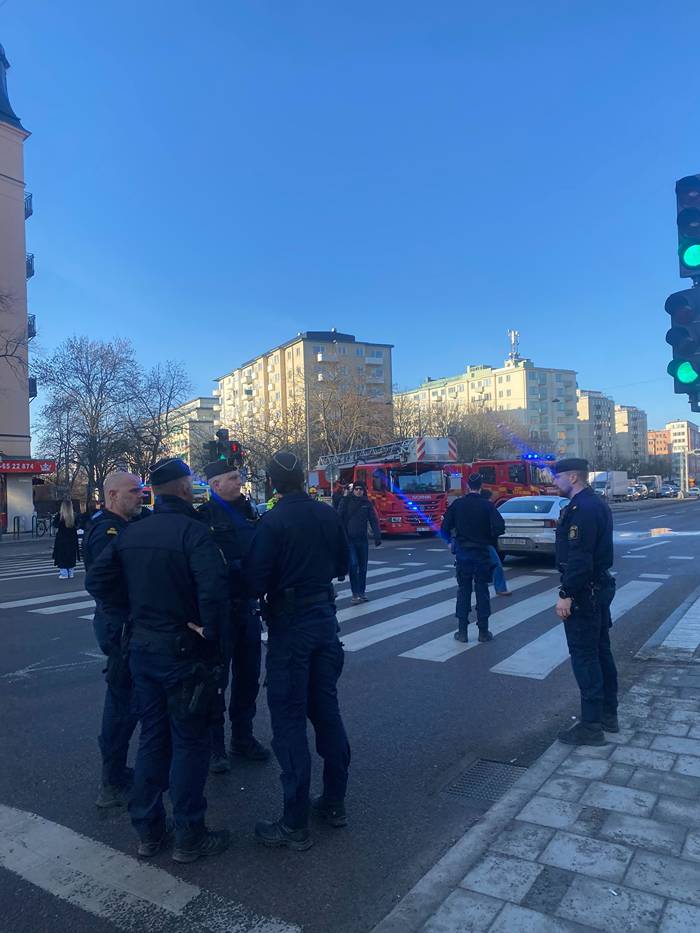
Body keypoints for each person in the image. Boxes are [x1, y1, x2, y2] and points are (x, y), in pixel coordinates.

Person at [86, 458, 230, 863]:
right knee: (188, 741)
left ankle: (148, 830)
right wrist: (210, 634)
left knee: (152, 737)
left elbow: (97, 581)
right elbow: (214, 594)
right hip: (182, 651)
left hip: (142, 649)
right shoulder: (193, 533)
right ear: (184, 489)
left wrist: (132, 613)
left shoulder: (133, 533)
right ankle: (189, 833)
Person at [245, 451, 351, 851]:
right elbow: (343, 563)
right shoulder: (327, 514)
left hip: (291, 628)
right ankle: (335, 803)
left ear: (272, 484)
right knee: (327, 711)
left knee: (289, 722)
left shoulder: (272, 521)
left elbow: (255, 581)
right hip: (325, 620)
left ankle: (294, 822)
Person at [198, 460, 270, 772]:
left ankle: (243, 736)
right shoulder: (204, 517)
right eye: (232, 478)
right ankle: (215, 747)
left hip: (248, 607)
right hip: (221, 611)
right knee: (216, 679)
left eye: (239, 476)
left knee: (249, 676)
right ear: (215, 485)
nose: (239, 482)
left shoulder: (250, 511)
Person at [82, 472, 144, 808]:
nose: (140, 496)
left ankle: (117, 773)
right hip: (119, 625)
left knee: (126, 698)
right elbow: (102, 581)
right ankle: (113, 781)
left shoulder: (120, 527)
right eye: (133, 492)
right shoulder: (107, 531)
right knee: (123, 702)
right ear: (112, 495)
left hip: (120, 622)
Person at [552, 458, 618, 747]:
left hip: (584, 592)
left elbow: (580, 557)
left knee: (585, 657)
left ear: (573, 478)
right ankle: (607, 715)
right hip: (598, 588)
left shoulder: (583, 509)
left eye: (558, 478)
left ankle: (591, 726)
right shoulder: (596, 503)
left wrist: (566, 594)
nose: (554, 482)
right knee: (601, 652)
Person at [440, 472, 505, 643]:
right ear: (481, 486)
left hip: (463, 554)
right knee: (482, 591)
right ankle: (483, 632)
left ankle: (462, 632)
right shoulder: (487, 505)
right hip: (482, 554)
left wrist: (450, 543)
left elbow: (444, 527)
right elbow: (500, 527)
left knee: (464, 591)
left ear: (467, 486)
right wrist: (488, 539)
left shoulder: (458, 504)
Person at [337, 481, 381, 604]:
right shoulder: (346, 501)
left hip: (363, 540)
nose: (358, 491)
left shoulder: (367, 503)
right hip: (349, 540)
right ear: (353, 490)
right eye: (356, 489)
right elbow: (339, 517)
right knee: (353, 565)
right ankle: (355, 594)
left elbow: (373, 520)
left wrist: (377, 535)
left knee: (363, 568)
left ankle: (361, 593)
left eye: (360, 489)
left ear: (364, 490)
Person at [480, 489, 511, 596]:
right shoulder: (489, 506)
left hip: (467, 542)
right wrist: (493, 535)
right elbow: (499, 525)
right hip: (485, 542)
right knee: (496, 565)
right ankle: (501, 588)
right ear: (489, 498)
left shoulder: (467, 506)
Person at [52, 499, 79, 579]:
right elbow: (78, 525)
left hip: (62, 540)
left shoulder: (60, 516)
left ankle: (64, 573)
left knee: (62, 555)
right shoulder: (74, 516)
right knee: (71, 555)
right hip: (72, 539)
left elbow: (55, 525)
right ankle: (71, 572)